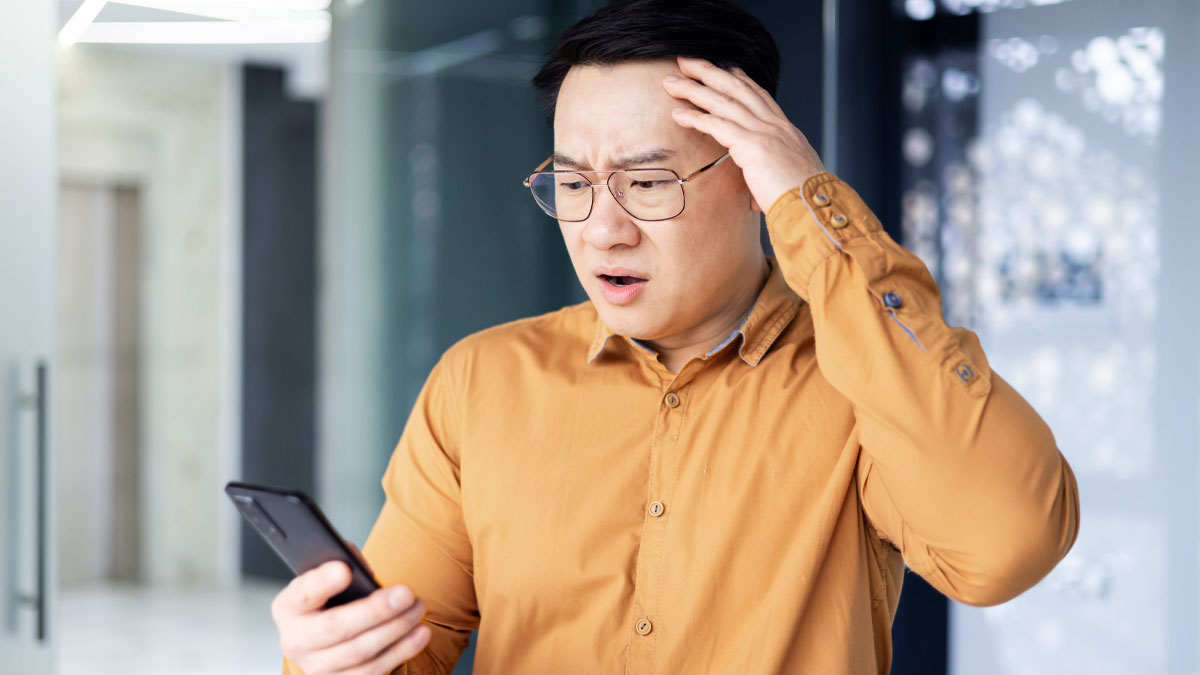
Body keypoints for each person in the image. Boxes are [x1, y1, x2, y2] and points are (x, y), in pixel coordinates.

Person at [270, 1, 1080, 673]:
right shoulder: (481, 381)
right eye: (572, 184)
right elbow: (407, 645)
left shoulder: (859, 377)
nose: (602, 230)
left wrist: (813, 203)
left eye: (649, 183)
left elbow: (1006, 545)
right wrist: (337, 652)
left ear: (751, 177)